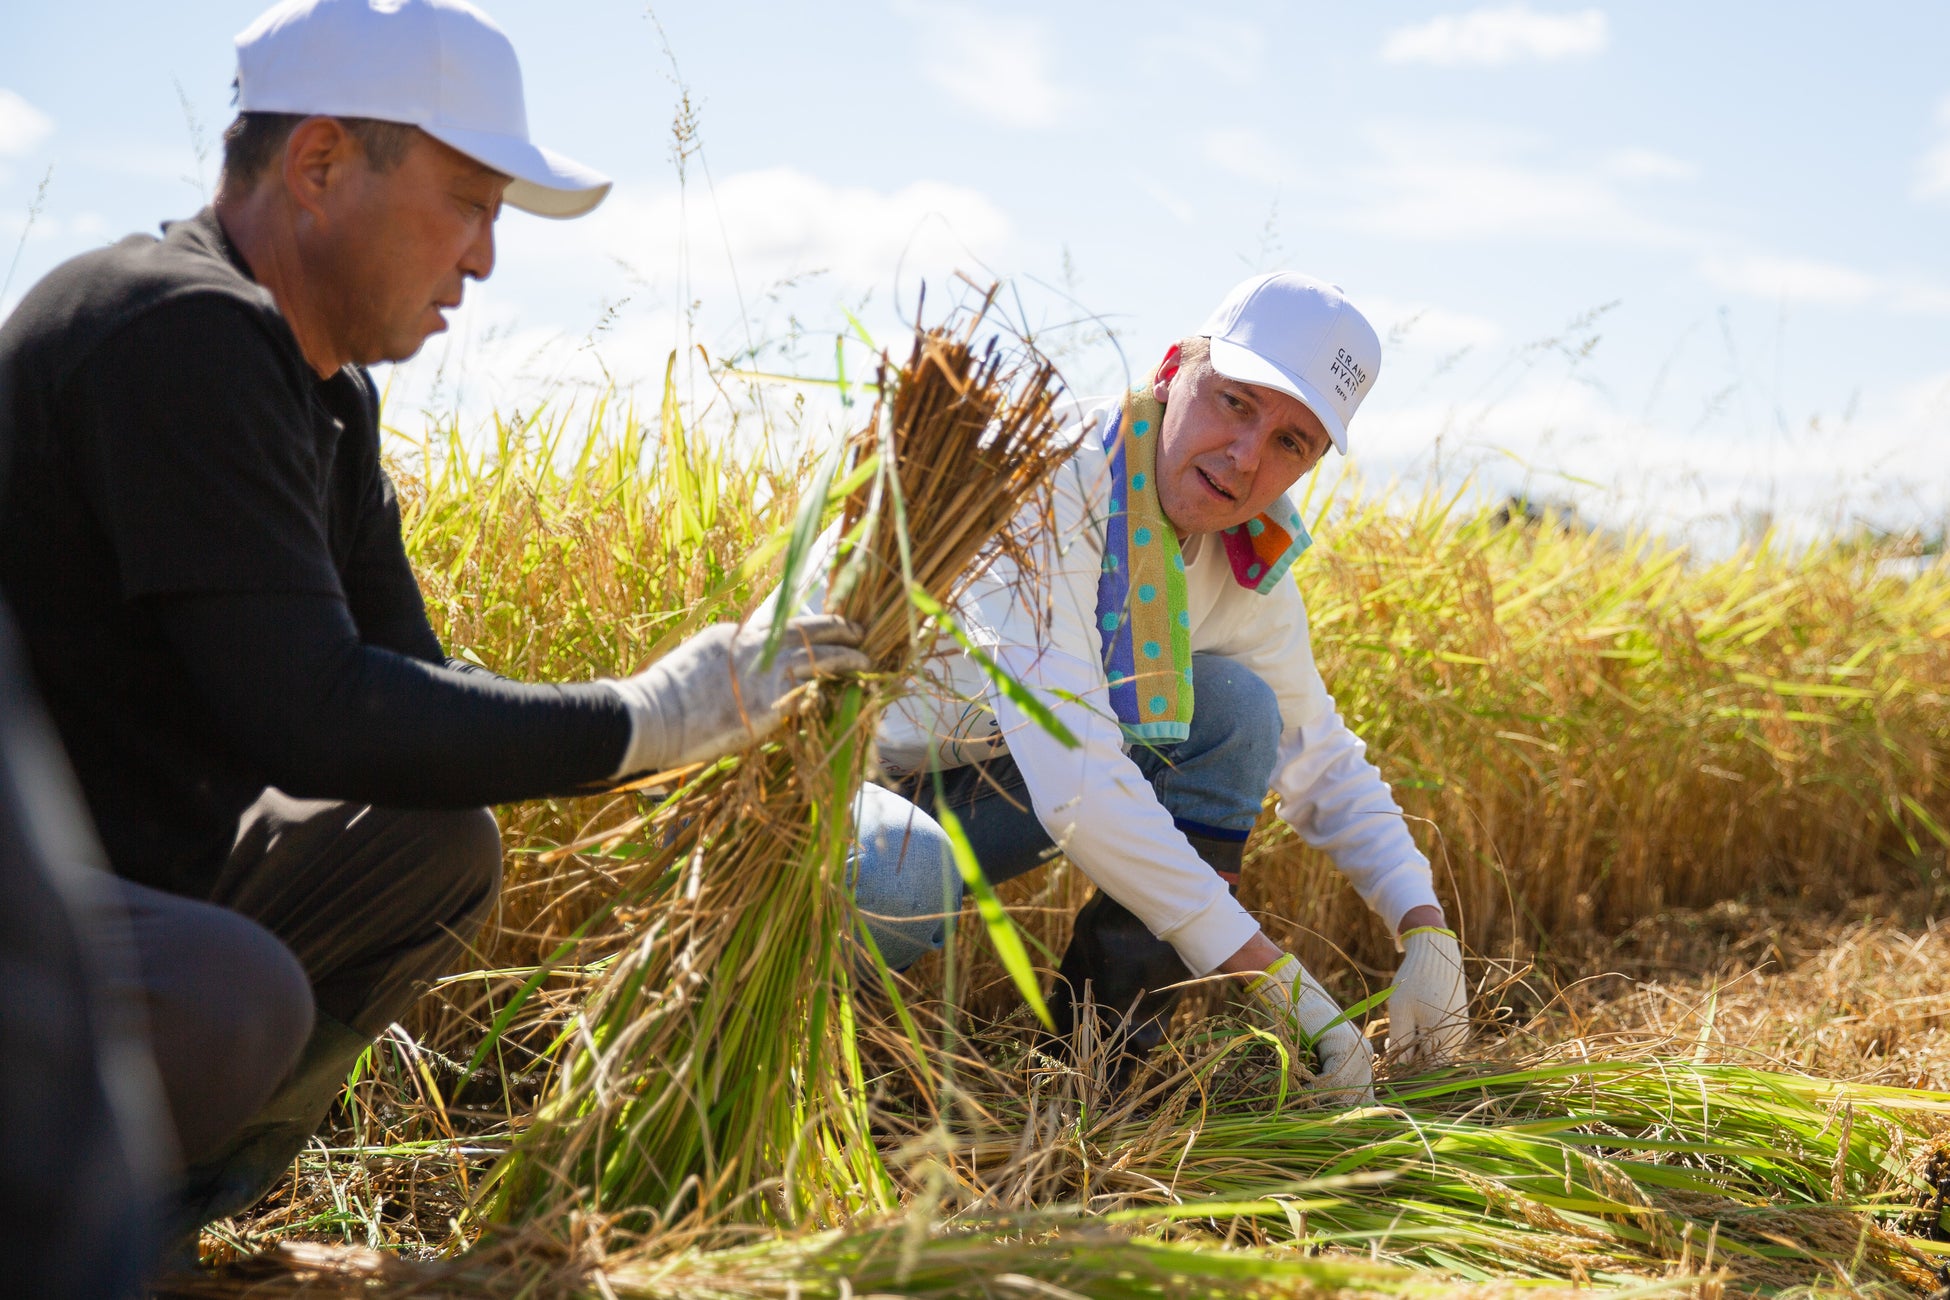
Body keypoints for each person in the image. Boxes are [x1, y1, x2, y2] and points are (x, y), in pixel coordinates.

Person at [0, 0, 864, 1262]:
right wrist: (650, 714)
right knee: (230, 997)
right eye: (469, 203)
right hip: (31, 901)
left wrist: (694, 735)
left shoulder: (325, 391)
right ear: (320, 165)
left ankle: (157, 1226)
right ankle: (61, 1240)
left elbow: (411, 694)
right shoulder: (171, 327)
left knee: (431, 847)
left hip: (114, 885)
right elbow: (315, 710)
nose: (486, 258)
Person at [841, 273, 1469, 1098]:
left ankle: (1092, 1083)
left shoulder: (1246, 562)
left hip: (984, 780)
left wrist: (1423, 923)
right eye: (1236, 403)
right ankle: (805, 1070)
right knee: (898, 873)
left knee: (1240, 712)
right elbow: (1080, 784)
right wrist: (1273, 977)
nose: (1246, 458)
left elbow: (1315, 749)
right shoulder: (1056, 481)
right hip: (845, 786)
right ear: (1174, 370)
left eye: (1292, 442)